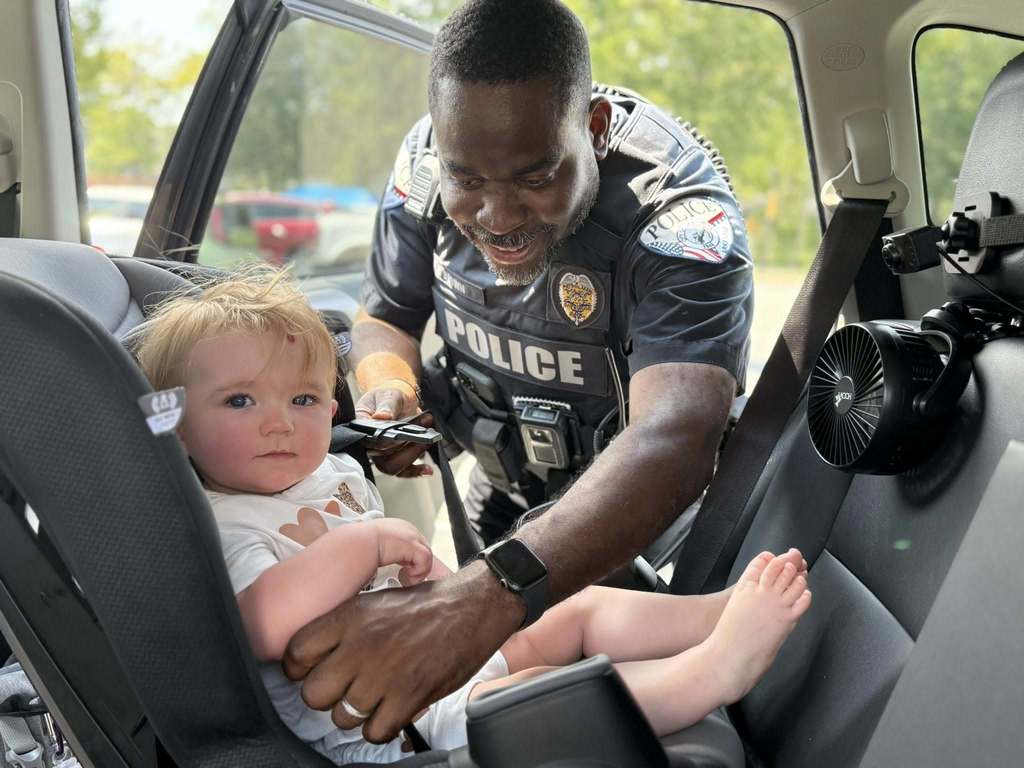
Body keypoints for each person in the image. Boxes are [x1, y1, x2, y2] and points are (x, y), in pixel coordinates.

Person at [286, 0, 756, 744]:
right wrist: (390, 393)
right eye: (466, 179)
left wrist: (482, 598)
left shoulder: (679, 216)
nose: (497, 216)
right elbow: (387, 317)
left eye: (535, 176)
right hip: (502, 494)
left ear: (594, 129)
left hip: (653, 529)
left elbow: (677, 434)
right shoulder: (424, 163)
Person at [135, 269, 810, 764]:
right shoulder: (220, 523)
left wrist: (422, 572)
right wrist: (368, 545)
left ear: (334, 409)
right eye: (240, 403)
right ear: (176, 428)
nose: (280, 423)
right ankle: (713, 670)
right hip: (388, 717)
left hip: (431, 653)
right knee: (542, 691)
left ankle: (715, 614)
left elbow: (390, 578)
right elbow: (263, 626)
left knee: (575, 610)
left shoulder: (328, 473)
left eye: (305, 399)